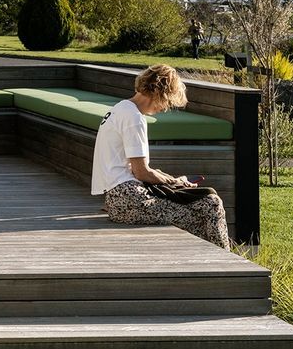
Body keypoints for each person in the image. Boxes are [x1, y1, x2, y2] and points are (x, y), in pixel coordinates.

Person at [91, 64, 230, 248]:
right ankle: (224, 263)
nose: (165, 108)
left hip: (117, 200)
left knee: (204, 207)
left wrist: (172, 180)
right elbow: (141, 173)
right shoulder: (134, 118)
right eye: (167, 101)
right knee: (210, 205)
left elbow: (133, 168)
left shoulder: (119, 109)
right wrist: (173, 183)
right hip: (130, 201)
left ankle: (215, 263)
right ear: (160, 92)